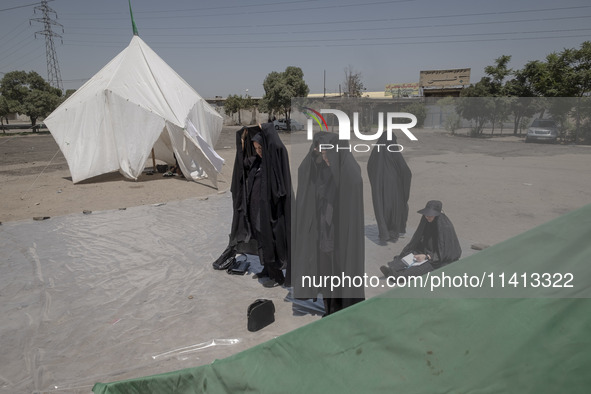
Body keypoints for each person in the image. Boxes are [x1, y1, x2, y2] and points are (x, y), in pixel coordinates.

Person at [292, 132, 365, 316]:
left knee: (340, 271)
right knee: (326, 270)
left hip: (340, 234)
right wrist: (315, 152)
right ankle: (329, 308)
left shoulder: (349, 171)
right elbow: (305, 170)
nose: (325, 159)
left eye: (327, 154)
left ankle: (341, 309)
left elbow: (350, 202)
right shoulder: (325, 168)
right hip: (325, 231)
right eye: (323, 154)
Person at [222, 122, 292, 288]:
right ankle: (266, 269)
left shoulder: (273, 162)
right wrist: (241, 143)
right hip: (255, 209)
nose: (259, 152)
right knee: (259, 238)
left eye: (260, 148)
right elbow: (243, 164)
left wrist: (266, 128)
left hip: (269, 212)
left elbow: (276, 146)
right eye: (256, 149)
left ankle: (277, 276)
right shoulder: (257, 161)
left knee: (269, 241)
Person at [380, 200, 461, 278]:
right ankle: (391, 269)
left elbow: (446, 252)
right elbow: (419, 239)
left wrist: (427, 257)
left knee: (420, 268)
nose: (427, 217)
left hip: (438, 258)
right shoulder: (426, 220)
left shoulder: (445, 227)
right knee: (409, 257)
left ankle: (398, 276)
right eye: (426, 215)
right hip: (424, 251)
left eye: (430, 215)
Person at [367, 132, 412, 243]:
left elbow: (369, 166)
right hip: (394, 186)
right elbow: (406, 171)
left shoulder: (375, 153)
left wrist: (376, 181)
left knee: (382, 208)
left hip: (379, 187)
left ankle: (384, 232)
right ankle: (393, 232)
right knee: (394, 208)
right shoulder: (394, 151)